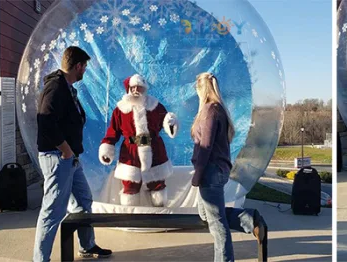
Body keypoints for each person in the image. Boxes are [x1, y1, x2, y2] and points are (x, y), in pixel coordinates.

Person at [33, 46, 111, 261]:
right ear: (78, 66)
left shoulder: (67, 88)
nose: (85, 71)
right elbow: (45, 119)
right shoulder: (55, 87)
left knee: (84, 200)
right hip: (57, 158)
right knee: (53, 211)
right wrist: (65, 150)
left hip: (70, 159)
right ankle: (41, 259)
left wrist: (71, 153)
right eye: (84, 67)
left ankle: (87, 245)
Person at [190, 72, 265, 261]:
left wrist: (197, 174)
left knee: (217, 224)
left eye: (197, 89)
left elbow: (205, 146)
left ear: (202, 88)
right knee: (208, 216)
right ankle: (250, 219)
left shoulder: (210, 110)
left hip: (210, 172)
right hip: (216, 171)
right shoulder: (217, 110)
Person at [97, 74, 179, 207]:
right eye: (133, 87)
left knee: (157, 185)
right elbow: (113, 131)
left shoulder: (155, 106)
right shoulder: (120, 109)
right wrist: (107, 148)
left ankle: (160, 216)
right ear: (128, 88)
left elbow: (166, 121)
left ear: (144, 89)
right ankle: (131, 217)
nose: (136, 90)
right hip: (130, 152)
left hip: (154, 151)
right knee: (130, 187)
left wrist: (171, 122)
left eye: (139, 87)